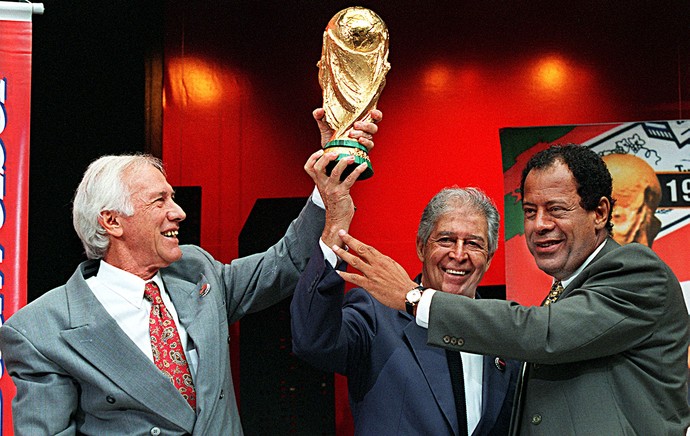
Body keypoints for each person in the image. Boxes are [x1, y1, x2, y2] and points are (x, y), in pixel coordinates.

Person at [0, 109, 381, 435]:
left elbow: (284, 263)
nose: (178, 212)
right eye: (159, 201)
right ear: (112, 222)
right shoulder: (42, 330)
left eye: (174, 198)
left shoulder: (197, 272)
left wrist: (328, 181)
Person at [328, 144, 690, 434]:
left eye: (556, 209)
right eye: (530, 211)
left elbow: (546, 333)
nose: (540, 225)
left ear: (599, 212)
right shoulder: (565, 293)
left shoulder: (638, 272)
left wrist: (415, 298)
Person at [291, 187, 520, 435]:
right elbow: (313, 341)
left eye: (473, 244)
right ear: (421, 246)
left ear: (489, 257)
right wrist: (334, 231)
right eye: (446, 240)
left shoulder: (502, 331)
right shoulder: (376, 314)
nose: (458, 254)